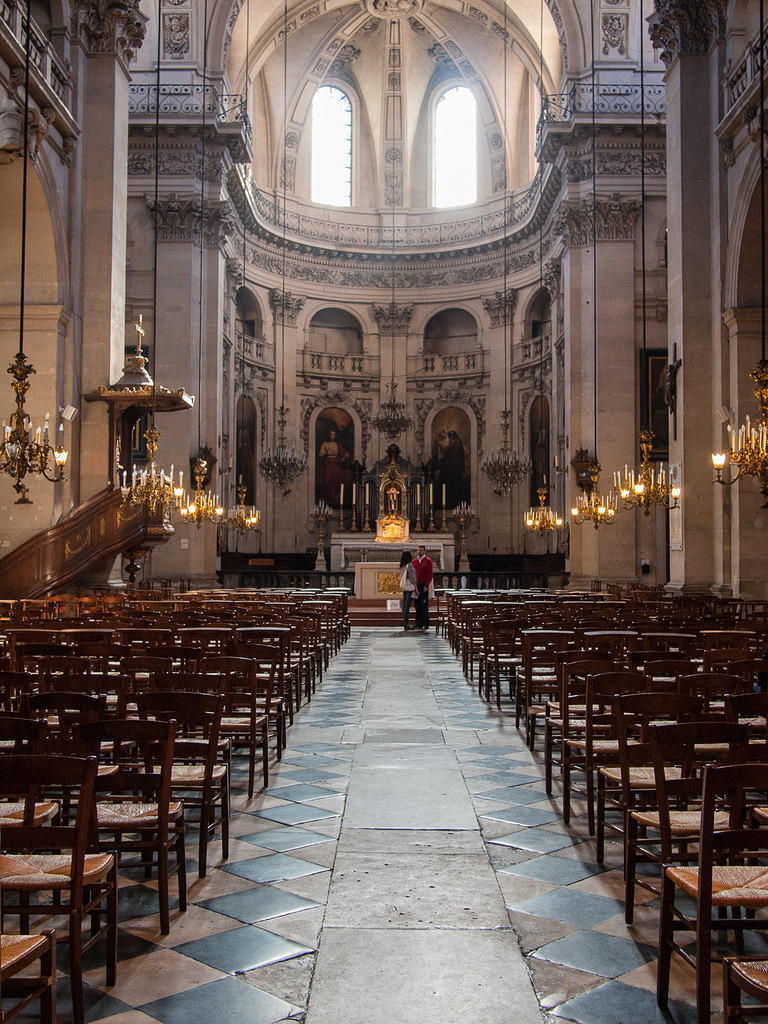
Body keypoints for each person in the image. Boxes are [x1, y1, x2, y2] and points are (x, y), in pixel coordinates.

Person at [412, 544, 433, 631]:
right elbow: (413, 575)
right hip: (416, 586)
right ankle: (418, 623)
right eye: (418, 550)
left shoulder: (428, 561)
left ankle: (426, 623)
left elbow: (430, 574)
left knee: (424, 604)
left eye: (421, 550)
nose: (419, 552)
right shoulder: (414, 561)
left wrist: (426, 585)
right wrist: (414, 586)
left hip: (424, 585)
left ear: (424, 551)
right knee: (417, 605)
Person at [399, 550, 416, 631]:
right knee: (407, 607)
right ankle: (407, 624)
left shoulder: (402, 565)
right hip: (410, 587)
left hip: (404, 588)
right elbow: (412, 578)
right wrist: (416, 587)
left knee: (404, 606)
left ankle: (405, 623)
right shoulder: (410, 565)